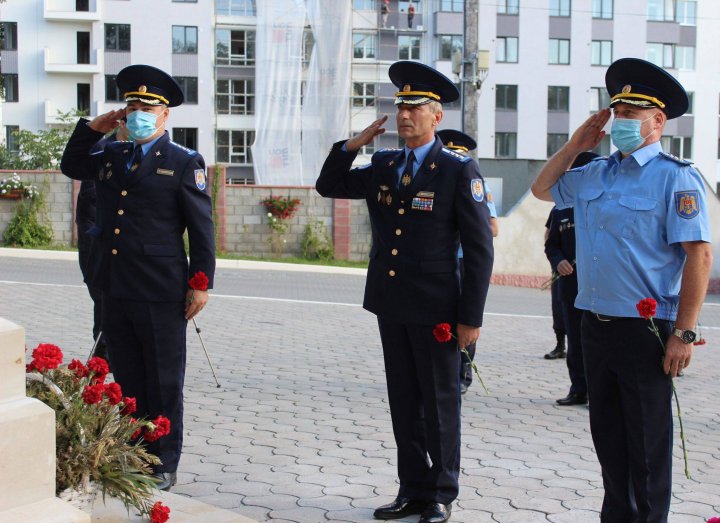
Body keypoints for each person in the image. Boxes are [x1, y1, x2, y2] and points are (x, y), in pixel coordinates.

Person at [531, 57, 712, 522]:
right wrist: (576, 144)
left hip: (646, 331)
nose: (621, 122)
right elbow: (541, 188)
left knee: (647, 450)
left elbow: (698, 256)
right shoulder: (597, 172)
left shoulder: (677, 176)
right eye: (617, 112)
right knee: (609, 442)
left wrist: (684, 333)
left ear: (658, 121)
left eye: (632, 114)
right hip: (595, 326)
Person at [316, 61, 494, 523]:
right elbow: (328, 185)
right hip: (392, 303)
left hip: (438, 307)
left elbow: (479, 250)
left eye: (415, 108)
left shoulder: (457, 169)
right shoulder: (384, 163)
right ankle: (411, 488)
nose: (404, 116)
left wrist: (470, 318)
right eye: (401, 108)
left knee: (440, 403)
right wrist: (351, 146)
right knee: (404, 400)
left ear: (437, 116)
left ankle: (441, 492)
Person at [60, 64, 216, 492]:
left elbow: (202, 228)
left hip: (161, 290)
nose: (137, 113)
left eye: (147, 107)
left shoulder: (184, 162)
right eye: (131, 106)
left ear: (165, 116)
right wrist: (94, 129)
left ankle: (164, 460)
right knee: (128, 375)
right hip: (115, 286)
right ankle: (134, 450)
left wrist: (200, 282)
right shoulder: (111, 154)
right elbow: (71, 165)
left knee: (163, 379)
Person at [436, 129, 498, 394]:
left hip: (463, 261)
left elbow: (493, 228)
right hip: (439, 261)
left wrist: (465, 225)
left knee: (465, 316)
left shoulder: (479, 186)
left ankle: (464, 372)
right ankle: (442, 369)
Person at [544, 151, 599, 406]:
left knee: (600, 342)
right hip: (571, 286)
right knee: (576, 341)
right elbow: (551, 244)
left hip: (601, 287)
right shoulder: (561, 209)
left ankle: (600, 392)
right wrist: (558, 261)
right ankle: (579, 389)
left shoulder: (604, 205)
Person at [75, 120, 129, 362]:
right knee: (102, 296)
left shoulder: (145, 154)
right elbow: (89, 208)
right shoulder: (102, 152)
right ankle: (103, 351)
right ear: (121, 124)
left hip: (131, 244)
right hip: (98, 242)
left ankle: (113, 351)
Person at [544, 209, 566, 360]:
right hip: (560, 270)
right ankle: (560, 346)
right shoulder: (558, 208)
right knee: (558, 307)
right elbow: (548, 235)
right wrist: (556, 262)